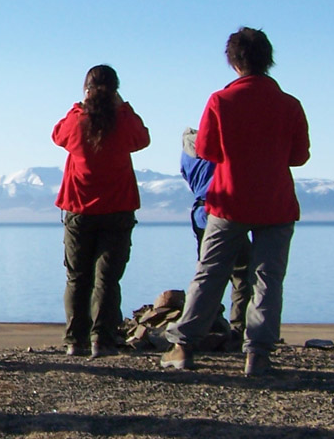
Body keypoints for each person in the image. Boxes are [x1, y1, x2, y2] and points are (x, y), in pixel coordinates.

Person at [162, 28, 309, 376]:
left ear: (233, 62)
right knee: (268, 277)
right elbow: (299, 156)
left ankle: (183, 346)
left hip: (229, 200)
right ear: (267, 59)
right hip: (275, 202)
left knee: (210, 273)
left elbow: (208, 151)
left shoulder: (220, 101)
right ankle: (257, 353)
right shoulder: (289, 105)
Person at [52, 65, 150, 358]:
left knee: (77, 277)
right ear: (115, 90)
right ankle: (102, 339)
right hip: (118, 209)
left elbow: (57, 135)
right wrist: (125, 107)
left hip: (79, 210)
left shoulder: (77, 121)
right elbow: (142, 138)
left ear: (87, 89)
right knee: (107, 278)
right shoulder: (122, 121)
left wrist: (76, 106)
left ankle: (75, 340)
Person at [181, 126, 251, 343]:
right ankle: (239, 327)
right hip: (223, 213)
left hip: (200, 213)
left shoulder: (187, 156)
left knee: (207, 271)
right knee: (242, 272)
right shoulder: (219, 152)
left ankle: (206, 323)